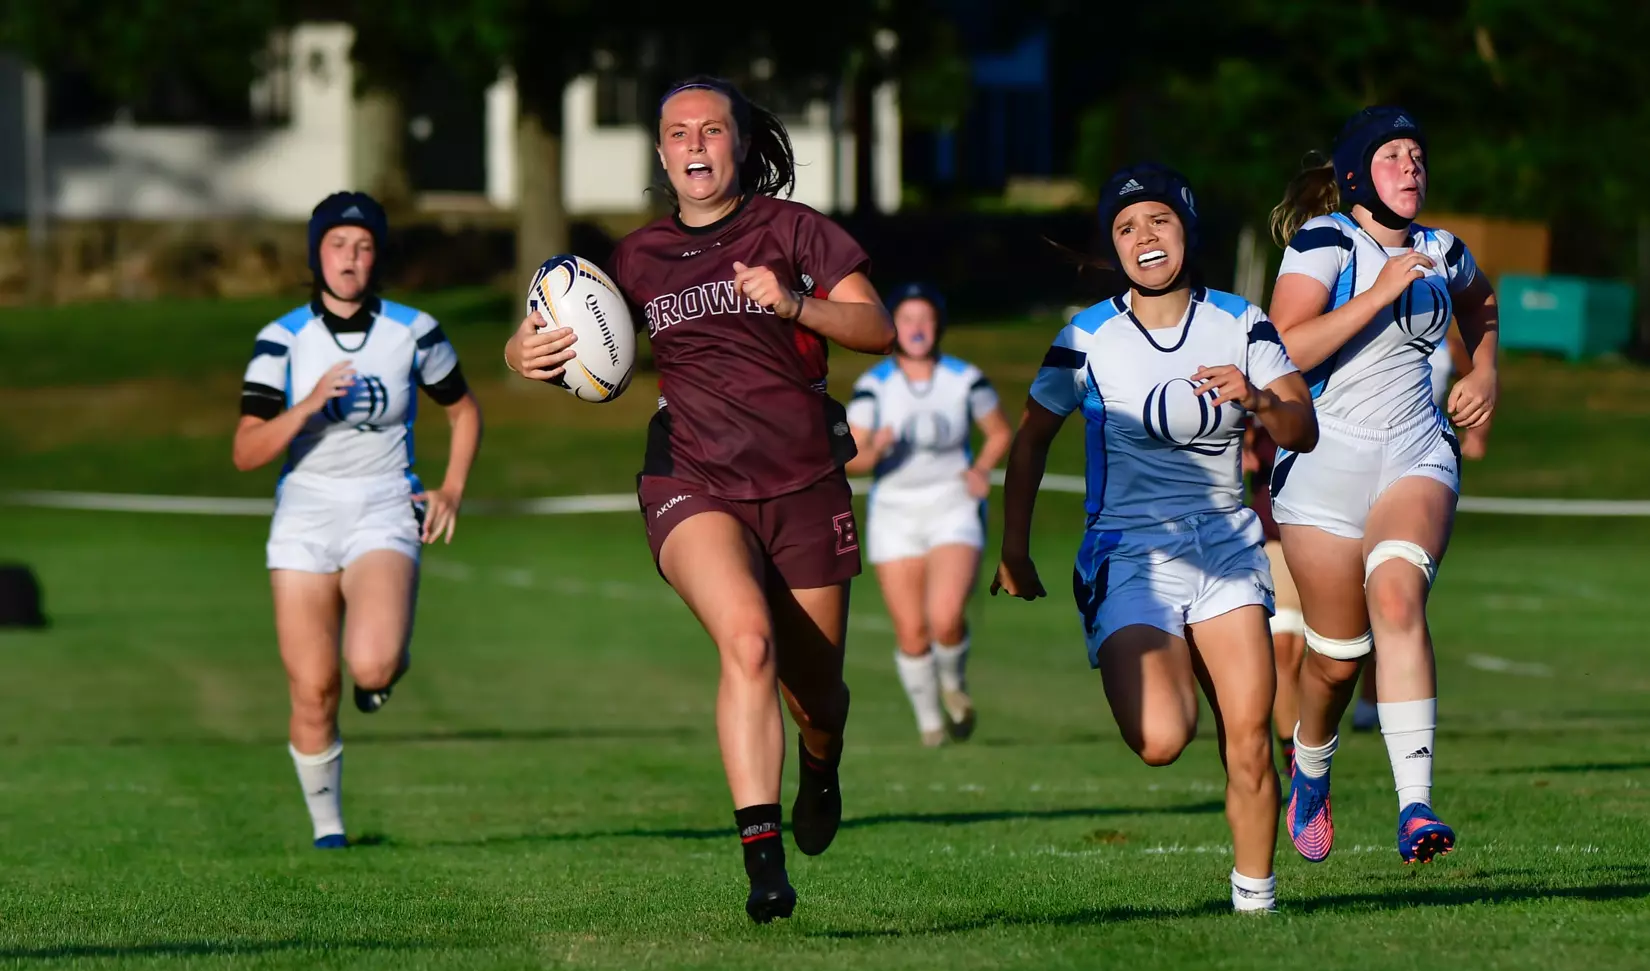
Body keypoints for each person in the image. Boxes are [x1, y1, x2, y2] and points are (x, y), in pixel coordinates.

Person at [502, 76, 894, 924]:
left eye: (710, 131)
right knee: (746, 642)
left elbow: (877, 328)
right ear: (661, 153)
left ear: (740, 145)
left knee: (816, 694)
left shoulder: (795, 230)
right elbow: (560, 316)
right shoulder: (637, 256)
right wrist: (519, 351)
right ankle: (763, 863)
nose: (693, 146)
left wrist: (795, 302)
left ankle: (819, 766)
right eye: (677, 133)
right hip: (691, 477)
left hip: (802, 481)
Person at [993, 165, 1318, 913]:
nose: (1145, 238)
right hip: (1129, 553)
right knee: (1164, 739)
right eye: (1127, 227)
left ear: (1186, 230)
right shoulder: (1087, 335)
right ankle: (1145, 647)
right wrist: (1014, 550)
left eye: (1159, 221)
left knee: (1249, 736)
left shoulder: (1241, 322)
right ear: (1112, 245)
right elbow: (1032, 439)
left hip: (1227, 548)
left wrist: (1260, 399)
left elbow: (1303, 426)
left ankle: (1256, 902)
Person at [1267, 106, 1498, 864]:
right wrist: (1377, 293)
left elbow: (1481, 303)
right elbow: (1284, 348)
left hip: (1413, 453)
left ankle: (1415, 808)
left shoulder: (1444, 249)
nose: (1410, 166)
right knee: (1336, 659)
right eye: (1393, 156)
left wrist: (1484, 370)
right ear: (1358, 177)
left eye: (1417, 155)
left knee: (1398, 597)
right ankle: (1312, 768)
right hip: (1321, 472)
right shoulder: (1326, 242)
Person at [235, 192, 482, 849]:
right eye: (338, 245)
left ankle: (379, 679)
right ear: (317, 254)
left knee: (370, 668)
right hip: (306, 514)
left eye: (364, 246)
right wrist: (310, 404)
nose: (351, 258)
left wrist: (451, 486)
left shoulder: (413, 330)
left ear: (378, 258)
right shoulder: (283, 340)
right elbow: (246, 451)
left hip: (382, 505)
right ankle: (329, 828)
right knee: (314, 689)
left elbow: (462, 409)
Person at [844, 283, 1012, 747]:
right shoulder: (874, 386)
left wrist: (980, 469)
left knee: (944, 618)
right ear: (892, 327)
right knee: (912, 632)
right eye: (907, 319)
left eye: (925, 319)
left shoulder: (964, 378)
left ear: (937, 327)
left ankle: (953, 684)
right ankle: (930, 724)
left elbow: (999, 432)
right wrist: (874, 450)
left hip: (952, 506)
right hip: (894, 513)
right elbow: (850, 454)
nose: (916, 328)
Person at [1351, 323, 1490, 732]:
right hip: (1356, 460)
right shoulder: (1365, 314)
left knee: (1394, 592)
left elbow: (1476, 374)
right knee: (1345, 606)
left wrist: (1477, 429)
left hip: (1418, 464)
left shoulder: (1447, 334)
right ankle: (1311, 733)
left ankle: (1373, 699)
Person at [1244, 423, 1305, 777]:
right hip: (1274, 531)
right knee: (1284, 649)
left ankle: (1314, 746)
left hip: (1331, 533)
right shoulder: (1261, 378)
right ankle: (1294, 757)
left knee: (1325, 658)